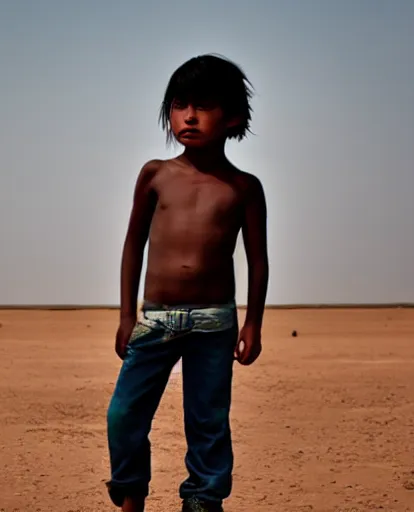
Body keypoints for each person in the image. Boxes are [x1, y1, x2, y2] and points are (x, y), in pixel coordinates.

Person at [105, 54, 269, 512]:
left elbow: (258, 260)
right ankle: (131, 496)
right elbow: (133, 245)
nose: (190, 116)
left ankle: (202, 501)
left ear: (233, 116)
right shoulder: (155, 175)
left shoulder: (243, 187)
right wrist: (125, 315)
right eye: (180, 105)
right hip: (154, 318)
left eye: (204, 105)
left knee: (208, 421)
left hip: (214, 321)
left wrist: (252, 323)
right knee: (124, 413)